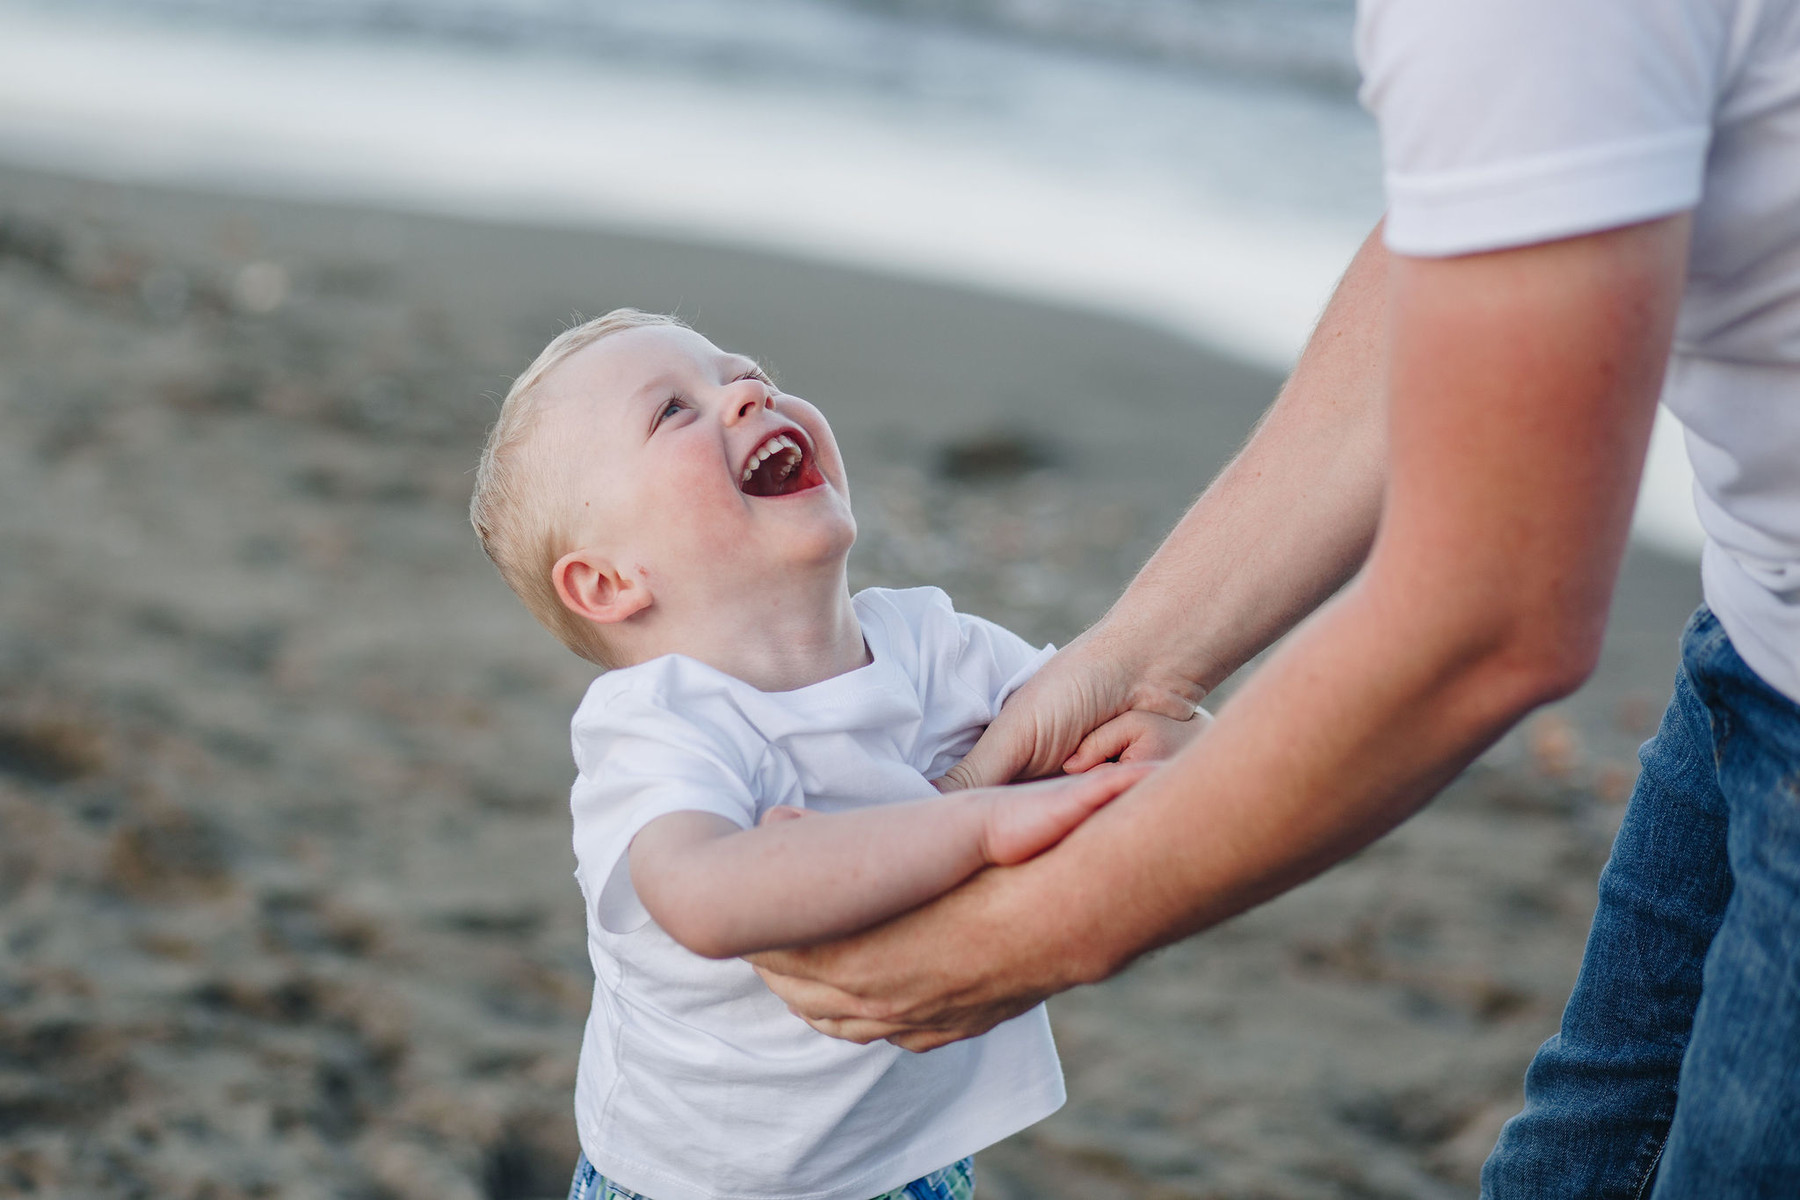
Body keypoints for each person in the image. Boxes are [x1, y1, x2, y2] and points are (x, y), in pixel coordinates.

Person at [751, 0, 1800, 1193]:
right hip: (1761, 636)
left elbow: (1489, 623)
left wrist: (1023, 938)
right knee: (1580, 1157)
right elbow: (1483, 215)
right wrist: (1144, 660)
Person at [468, 309, 1190, 1200]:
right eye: (673, 412)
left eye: (742, 370)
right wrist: (976, 822)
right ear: (610, 582)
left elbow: (1134, 732)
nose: (745, 391)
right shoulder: (660, 724)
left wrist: (1166, 740)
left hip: (915, 1164)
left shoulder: (935, 646)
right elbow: (704, 893)